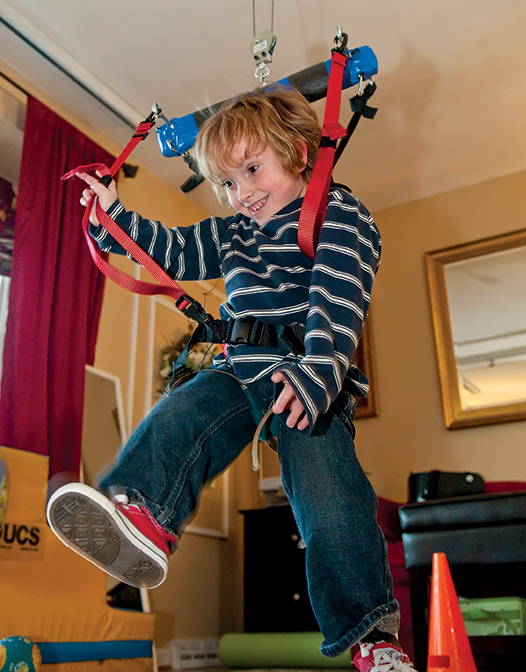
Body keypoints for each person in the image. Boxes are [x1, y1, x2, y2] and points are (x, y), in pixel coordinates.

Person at [47, 85, 417, 672]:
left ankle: (371, 635)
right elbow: (165, 250)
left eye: (252, 169)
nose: (240, 194)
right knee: (180, 414)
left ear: (297, 152)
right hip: (239, 370)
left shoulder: (337, 213)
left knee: (328, 495)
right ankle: (141, 513)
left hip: (305, 380)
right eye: (226, 183)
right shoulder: (230, 234)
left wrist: (321, 372)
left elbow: (338, 299)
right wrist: (112, 216)